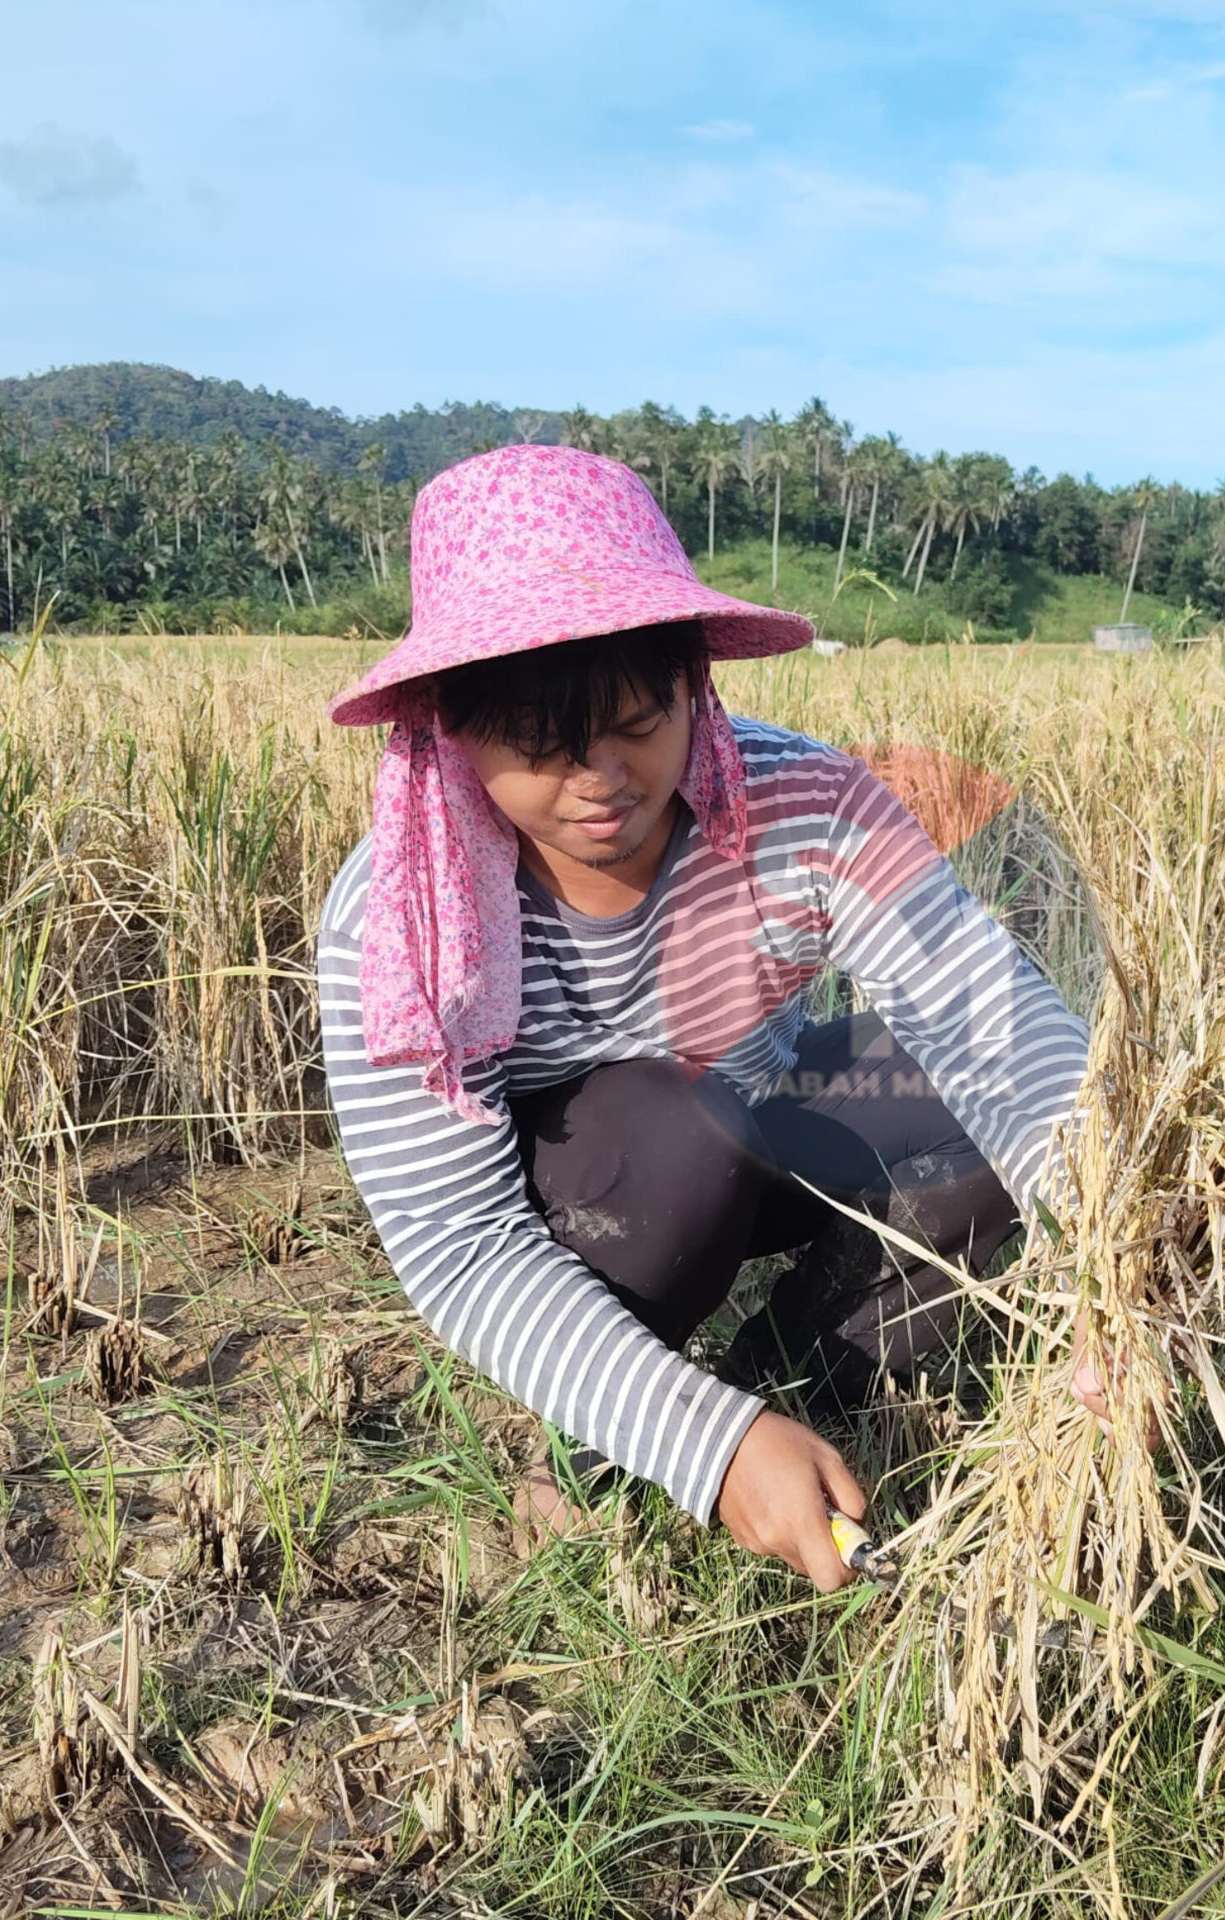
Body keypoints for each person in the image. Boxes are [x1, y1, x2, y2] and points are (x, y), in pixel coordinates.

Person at [317, 445, 1093, 1592]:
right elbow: (458, 1239)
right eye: (538, 747)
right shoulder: (403, 913)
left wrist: (1105, 1261)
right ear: (452, 730)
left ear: (695, 686)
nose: (601, 781)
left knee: (952, 1110)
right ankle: (593, 1451)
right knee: (678, 1124)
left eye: (638, 722)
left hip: (760, 1108)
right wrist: (707, 1448)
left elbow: (999, 1036)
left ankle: (798, 1392)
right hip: (586, 1198)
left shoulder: (809, 803)